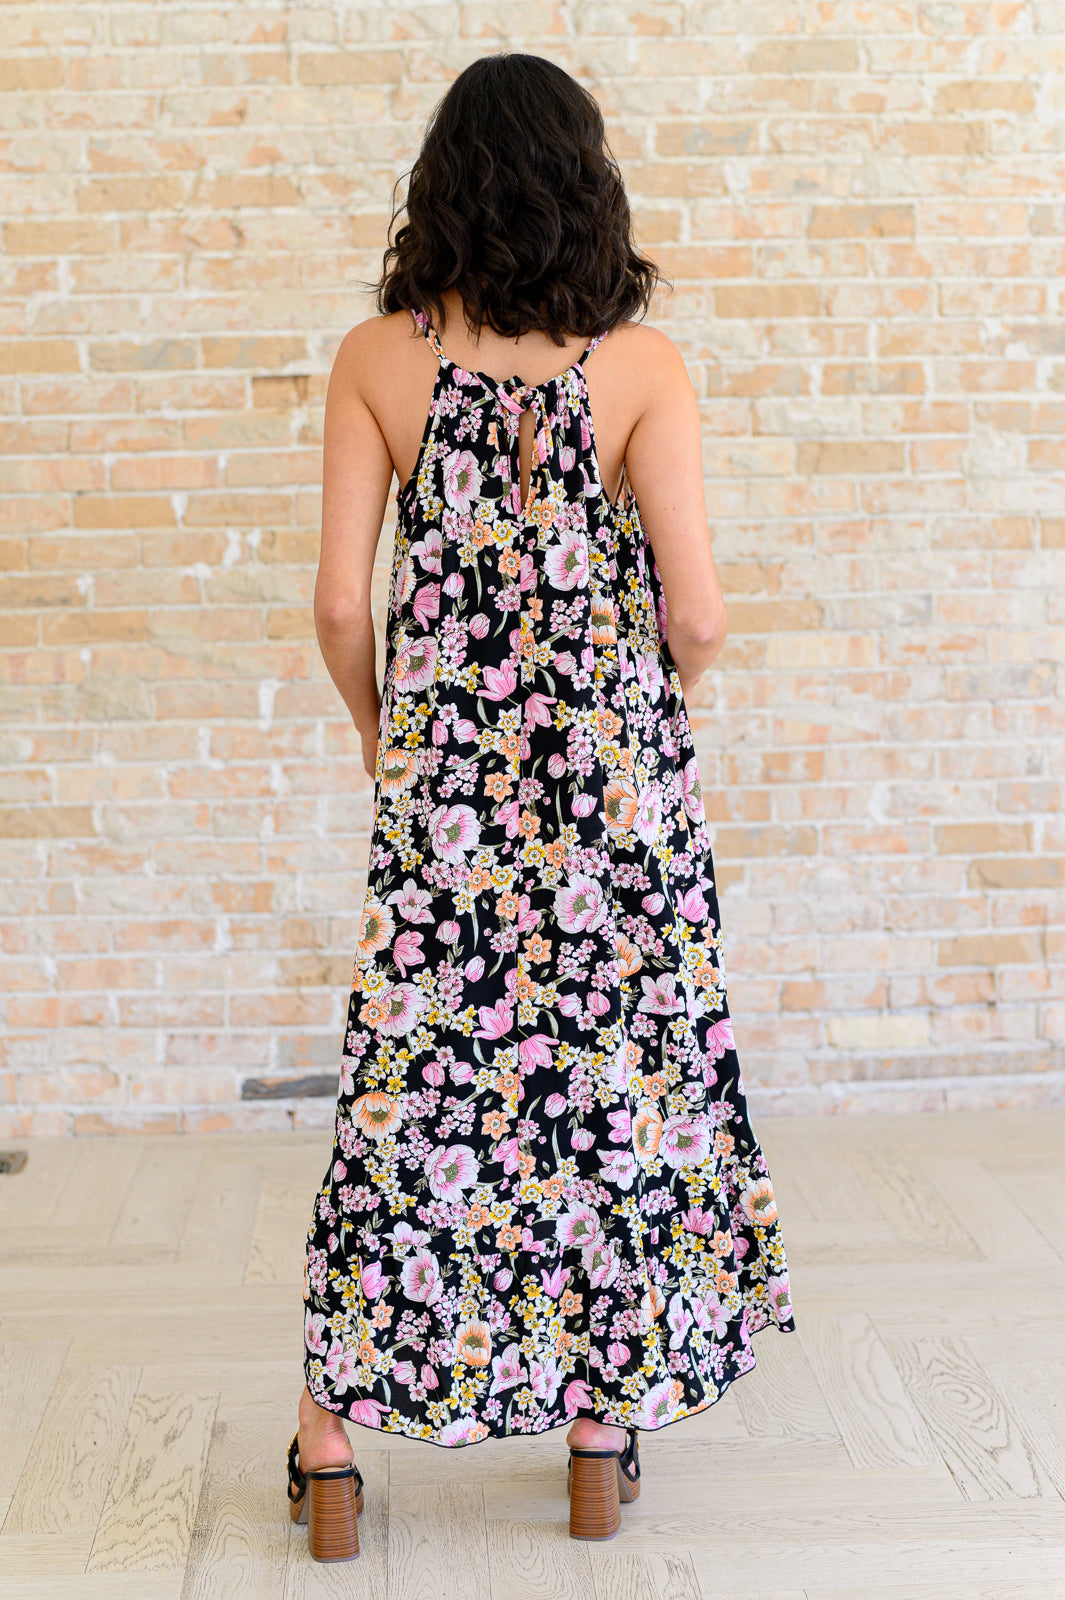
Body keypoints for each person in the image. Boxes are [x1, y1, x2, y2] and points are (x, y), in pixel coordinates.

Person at [286, 51, 795, 1562]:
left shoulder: (377, 361)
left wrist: (386, 733)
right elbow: (698, 617)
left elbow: (338, 604)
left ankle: (329, 1444)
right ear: (587, 185)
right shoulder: (641, 368)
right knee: (612, 1091)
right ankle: (596, 1428)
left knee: (413, 1099)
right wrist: (628, 725)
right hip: (614, 808)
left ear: (440, 187)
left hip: (444, 809)